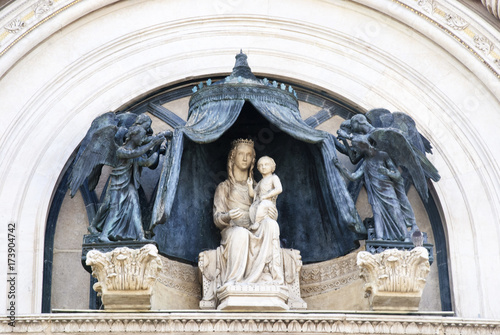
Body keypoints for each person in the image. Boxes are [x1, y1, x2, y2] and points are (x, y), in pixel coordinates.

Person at [333, 114, 417, 241]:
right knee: (378, 213)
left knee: (396, 209)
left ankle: (407, 234)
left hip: (389, 187)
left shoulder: (379, 145)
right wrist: (340, 163)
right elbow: (354, 165)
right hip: (376, 192)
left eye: (353, 126)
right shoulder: (366, 161)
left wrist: (348, 136)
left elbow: (396, 174)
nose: (352, 129)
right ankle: (380, 238)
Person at [213, 139, 284, 285]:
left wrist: (272, 214)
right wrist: (228, 216)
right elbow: (217, 218)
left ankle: (272, 278)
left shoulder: (257, 187)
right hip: (233, 230)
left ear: (253, 159)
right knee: (241, 234)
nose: (245, 158)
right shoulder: (224, 187)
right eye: (241, 154)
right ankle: (235, 281)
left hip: (256, 228)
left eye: (249, 154)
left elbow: (269, 205)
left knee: (271, 225)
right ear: (233, 157)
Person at [94, 119, 168, 242]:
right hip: (118, 186)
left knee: (135, 208)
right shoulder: (121, 151)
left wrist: (158, 149)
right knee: (115, 211)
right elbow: (134, 153)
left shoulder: (136, 153)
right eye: (141, 137)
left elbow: (146, 162)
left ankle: (140, 236)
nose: (143, 139)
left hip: (129, 185)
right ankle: (104, 235)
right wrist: (152, 144)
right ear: (133, 137)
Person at [247, 156, 282, 230]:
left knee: (263, 204)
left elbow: (279, 189)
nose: (263, 167)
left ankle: (257, 222)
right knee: (252, 208)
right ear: (258, 168)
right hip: (260, 202)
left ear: (272, 166)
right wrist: (250, 186)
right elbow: (252, 194)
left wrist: (266, 196)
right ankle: (256, 223)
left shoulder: (274, 178)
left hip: (268, 203)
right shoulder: (260, 182)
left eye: (266, 164)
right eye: (261, 165)